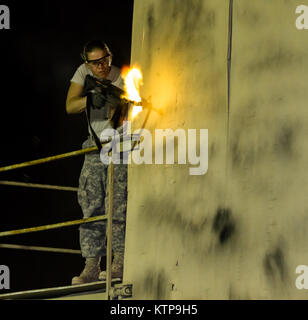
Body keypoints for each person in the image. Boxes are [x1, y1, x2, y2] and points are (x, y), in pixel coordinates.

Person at [66, 40, 128, 285]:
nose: (103, 66)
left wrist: (112, 98)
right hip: (94, 145)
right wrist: (93, 98)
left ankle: (119, 262)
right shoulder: (84, 73)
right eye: (96, 62)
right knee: (90, 203)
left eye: (106, 59)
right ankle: (91, 265)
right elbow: (70, 106)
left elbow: (121, 112)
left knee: (117, 203)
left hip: (119, 144)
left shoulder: (122, 76)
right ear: (87, 63)